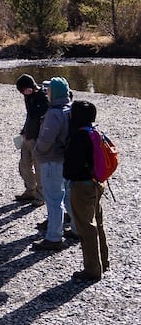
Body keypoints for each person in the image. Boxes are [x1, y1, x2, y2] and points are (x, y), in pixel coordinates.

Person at [63, 100, 111, 281]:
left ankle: (92, 269)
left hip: (82, 186)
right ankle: (103, 262)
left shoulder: (78, 137)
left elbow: (71, 167)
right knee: (98, 223)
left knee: (86, 227)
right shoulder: (95, 131)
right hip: (98, 182)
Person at [31, 76, 72, 253]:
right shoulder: (69, 109)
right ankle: (76, 229)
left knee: (54, 199)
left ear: (54, 93)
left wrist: (37, 152)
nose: (46, 93)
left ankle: (54, 237)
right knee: (68, 196)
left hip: (52, 160)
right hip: (66, 160)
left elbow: (46, 139)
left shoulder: (54, 113)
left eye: (48, 90)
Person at [15, 75, 47, 205]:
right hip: (28, 135)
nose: (23, 93)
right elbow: (29, 115)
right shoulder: (28, 96)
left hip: (38, 137)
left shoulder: (43, 98)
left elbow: (37, 115)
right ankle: (30, 191)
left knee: (39, 169)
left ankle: (40, 197)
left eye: (24, 90)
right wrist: (23, 131)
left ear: (31, 87)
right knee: (24, 165)